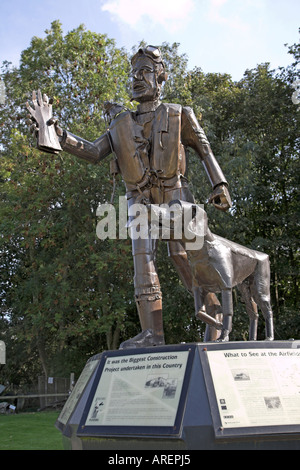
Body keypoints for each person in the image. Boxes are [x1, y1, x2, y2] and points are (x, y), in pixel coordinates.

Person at [27, 45, 231, 348]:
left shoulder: (179, 114)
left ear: (160, 77)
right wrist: (57, 133)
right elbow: (94, 151)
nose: (136, 78)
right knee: (142, 261)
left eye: (145, 71)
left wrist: (220, 185)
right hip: (140, 199)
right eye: (133, 74)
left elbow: (204, 150)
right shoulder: (120, 124)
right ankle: (152, 334)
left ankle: (214, 312)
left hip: (177, 196)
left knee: (185, 257)